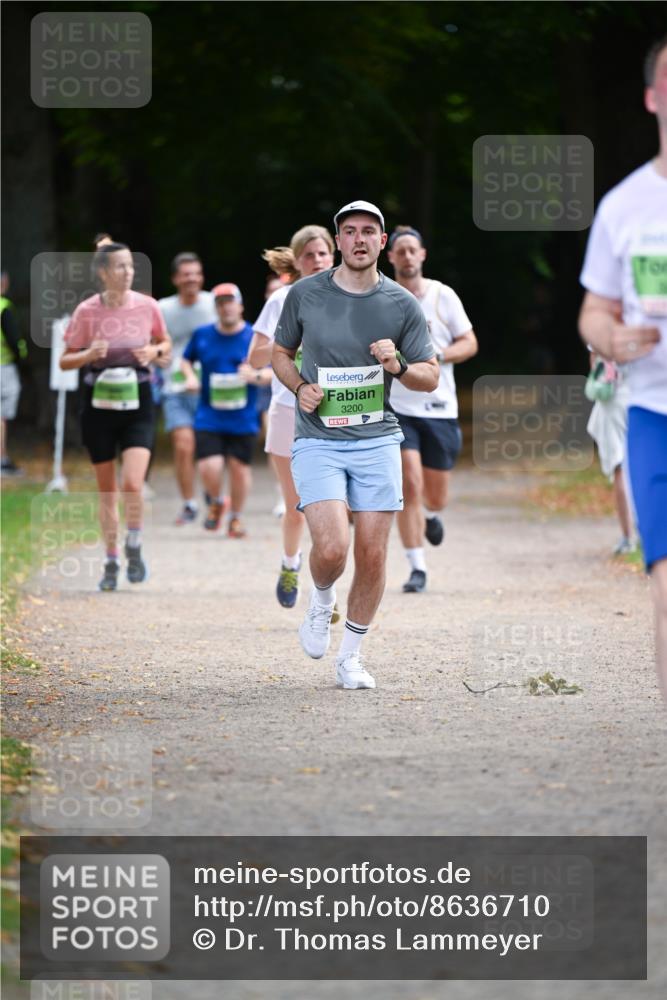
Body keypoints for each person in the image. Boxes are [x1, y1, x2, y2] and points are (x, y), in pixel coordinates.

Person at [272, 200, 438, 689]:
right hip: (319, 438)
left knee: (372, 552)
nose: (360, 239)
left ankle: (352, 657)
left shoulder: (401, 304)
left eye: (369, 231)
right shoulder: (304, 295)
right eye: (350, 231)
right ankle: (321, 599)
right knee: (332, 546)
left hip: (377, 439)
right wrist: (300, 387)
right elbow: (279, 354)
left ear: (382, 242)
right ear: (337, 240)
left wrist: (399, 366)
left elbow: (430, 375)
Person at [578, 34, 667, 700]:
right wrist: (610, 336)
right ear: (650, 97)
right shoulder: (623, 205)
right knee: (665, 576)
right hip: (652, 409)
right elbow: (591, 314)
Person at [59, 242, 171, 591]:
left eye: (131, 267)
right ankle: (110, 559)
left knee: (133, 484)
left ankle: (133, 543)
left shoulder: (147, 306)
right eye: (120, 267)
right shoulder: (87, 312)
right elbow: (65, 359)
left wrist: (153, 351)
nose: (128, 273)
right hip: (98, 404)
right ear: (103, 273)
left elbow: (165, 345)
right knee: (107, 490)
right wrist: (89, 353)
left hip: (138, 400)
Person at [386, 226, 478, 593]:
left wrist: (439, 356)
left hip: (439, 406)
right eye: (400, 251)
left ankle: (433, 514)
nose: (407, 256)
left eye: (413, 250)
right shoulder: (383, 297)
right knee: (409, 482)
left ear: (422, 255)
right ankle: (417, 567)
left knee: (434, 493)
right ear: (390, 257)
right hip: (396, 406)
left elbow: (469, 342)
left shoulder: (443, 296)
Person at [247, 225, 335, 608]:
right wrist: (288, 341)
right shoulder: (282, 299)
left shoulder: (348, 296)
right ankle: (290, 563)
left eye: (323, 254)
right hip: (288, 409)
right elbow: (252, 358)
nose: (317, 261)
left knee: (332, 508)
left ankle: (325, 589)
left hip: (335, 411)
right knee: (297, 505)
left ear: (334, 256)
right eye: (310, 255)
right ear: (297, 262)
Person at [181, 283, 269, 538]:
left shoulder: (255, 336)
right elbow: (186, 360)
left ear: (240, 306)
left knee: (240, 469)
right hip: (209, 413)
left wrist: (256, 375)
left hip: (243, 416)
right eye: (220, 303)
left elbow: (275, 368)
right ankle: (218, 501)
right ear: (215, 308)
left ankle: (236, 518)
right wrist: (190, 377)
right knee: (210, 467)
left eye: (230, 301)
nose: (226, 307)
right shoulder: (203, 334)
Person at [159, 252, 217, 524]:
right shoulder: (164, 309)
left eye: (196, 273)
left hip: (211, 389)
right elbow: (155, 343)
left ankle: (211, 492)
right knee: (183, 446)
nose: (192, 278)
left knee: (210, 449)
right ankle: (189, 502)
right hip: (175, 388)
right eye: (186, 274)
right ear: (175, 279)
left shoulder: (213, 304)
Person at [585, 354, 635, 555]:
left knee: (619, 468)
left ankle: (628, 537)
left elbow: (595, 359)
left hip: (614, 397)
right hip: (643, 398)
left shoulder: (602, 324)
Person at [0, 270, 28, 476]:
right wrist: (21, 357)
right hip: (4, 367)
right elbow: (13, 340)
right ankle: (2, 459)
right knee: (2, 414)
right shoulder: (4, 307)